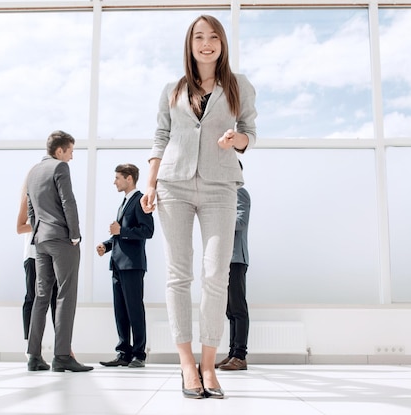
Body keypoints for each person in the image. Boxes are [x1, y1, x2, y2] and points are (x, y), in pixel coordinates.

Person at [140, 15, 257, 399]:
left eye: (213, 37)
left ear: (222, 43)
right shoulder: (172, 89)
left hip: (221, 185)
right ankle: (187, 364)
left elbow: (249, 134)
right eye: (198, 37)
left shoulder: (239, 86)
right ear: (190, 45)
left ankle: (210, 364)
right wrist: (150, 184)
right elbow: (161, 135)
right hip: (173, 183)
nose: (206, 43)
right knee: (178, 275)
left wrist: (235, 138)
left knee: (215, 274)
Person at [25, 130, 92, 373]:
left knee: (41, 297)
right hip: (62, 239)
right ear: (60, 150)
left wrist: (37, 232)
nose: (72, 157)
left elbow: (31, 209)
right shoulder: (60, 168)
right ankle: (62, 355)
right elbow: (68, 201)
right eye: (71, 151)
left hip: (40, 240)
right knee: (66, 295)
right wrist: (75, 234)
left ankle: (33, 356)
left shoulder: (33, 172)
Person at [97, 164, 154, 369]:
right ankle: (124, 353)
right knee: (120, 311)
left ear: (129, 178)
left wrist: (122, 230)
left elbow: (148, 231)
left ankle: (139, 354)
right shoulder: (123, 203)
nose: (115, 182)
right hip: (118, 265)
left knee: (134, 310)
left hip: (132, 265)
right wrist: (107, 245)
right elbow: (120, 234)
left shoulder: (140, 200)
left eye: (118, 178)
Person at [215, 161, 250, 371]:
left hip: (236, 258)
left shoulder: (241, 192)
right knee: (229, 309)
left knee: (238, 308)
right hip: (225, 259)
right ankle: (232, 354)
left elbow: (241, 222)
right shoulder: (224, 196)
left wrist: (219, 219)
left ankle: (240, 356)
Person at [16, 183, 58, 341]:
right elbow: (19, 228)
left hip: (53, 254)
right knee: (32, 297)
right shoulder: (28, 197)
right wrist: (42, 224)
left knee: (57, 300)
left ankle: (63, 348)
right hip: (33, 255)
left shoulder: (56, 200)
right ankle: (30, 346)